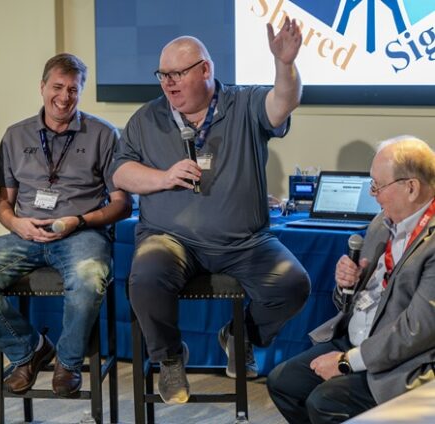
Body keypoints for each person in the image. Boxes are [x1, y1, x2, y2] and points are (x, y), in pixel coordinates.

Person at [111, 17, 311, 404]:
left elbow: (283, 102)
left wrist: (284, 64)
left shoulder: (244, 103)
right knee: (145, 277)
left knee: (293, 285)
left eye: (178, 74)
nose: (168, 83)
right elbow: (121, 171)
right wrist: (164, 177)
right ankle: (170, 360)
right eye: (163, 75)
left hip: (244, 242)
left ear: (205, 69)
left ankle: (241, 336)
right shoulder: (146, 118)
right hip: (169, 239)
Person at [0, 53, 131, 398]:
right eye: (57, 87)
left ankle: (67, 362)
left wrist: (77, 220)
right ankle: (30, 350)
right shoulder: (16, 136)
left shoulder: (103, 135)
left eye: (73, 89)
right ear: (42, 87)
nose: (64, 97)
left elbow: (123, 204)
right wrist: (16, 224)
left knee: (89, 278)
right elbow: (3, 204)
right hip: (26, 234)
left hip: (82, 232)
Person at [267, 137, 435, 423]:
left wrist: (347, 362)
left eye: (378, 186)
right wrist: (347, 285)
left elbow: (416, 331)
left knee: (325, 402)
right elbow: (353, 302)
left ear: (411, 187)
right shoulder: (381, 224)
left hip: (404, 360)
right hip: (355, 339)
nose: (372, 194)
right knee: (284, 382)